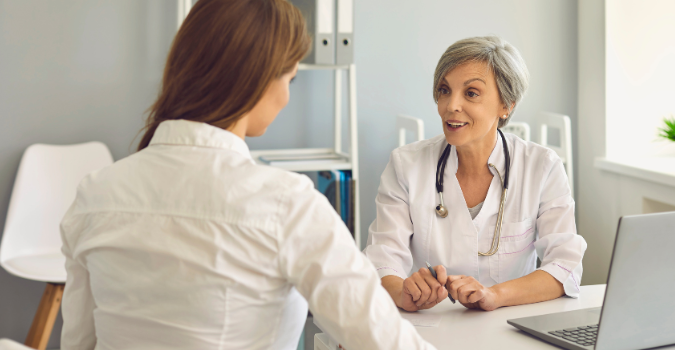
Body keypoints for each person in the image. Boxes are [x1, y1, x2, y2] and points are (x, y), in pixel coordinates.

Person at [59, 1, 434, 349]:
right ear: (257, 79)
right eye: (290, 78)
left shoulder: (95, 194)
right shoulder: (287, 204)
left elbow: (78, 343)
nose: (287, 97)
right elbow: (384, 340)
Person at [364, 36, 587, 312]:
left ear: (507, 104)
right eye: (444, 90)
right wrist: (402, 294)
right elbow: (381, 259)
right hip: (430, 325)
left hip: (509, 325)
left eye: (471, 93)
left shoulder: (542, 167)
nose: (450, 106)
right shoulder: (406, 165)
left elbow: (565, 266)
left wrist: (496, 295)